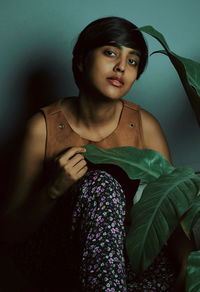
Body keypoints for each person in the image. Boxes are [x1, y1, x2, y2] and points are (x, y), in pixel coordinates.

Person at [0, 16, 194, 292]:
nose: (120, 67)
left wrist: (190, 263)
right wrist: (53, 190)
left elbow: (169, 208)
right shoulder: (42, 128)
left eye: (132, 61)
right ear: (81, 60)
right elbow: (9, 231)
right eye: (111, 53)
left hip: (119, 256)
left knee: (164, 268)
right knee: (100, 184)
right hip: (59, 255)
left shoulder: (145, 126)